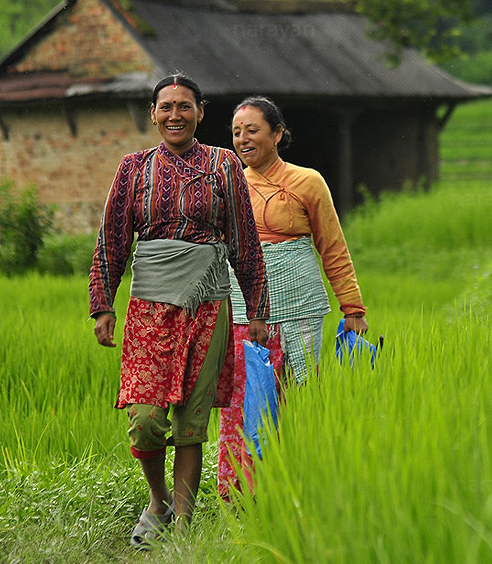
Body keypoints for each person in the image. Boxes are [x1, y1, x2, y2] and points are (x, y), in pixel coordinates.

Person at [89, 74, 270, 548]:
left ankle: (185, 525)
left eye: (184, 106)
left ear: (200, 112)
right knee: (146, 418)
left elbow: (245, 241)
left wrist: (257, 309)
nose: (175, 114)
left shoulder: (223, 165)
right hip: (150, 307)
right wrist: (102, 306)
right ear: (153, 114)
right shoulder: (133, 168)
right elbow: (112, 240)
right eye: (166, 106)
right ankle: (159, 500)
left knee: (192, 419)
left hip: (209, 304)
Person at [217, 95, 370, 498]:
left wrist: (352, 307)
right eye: (236, 132)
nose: (242, 139)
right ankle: (243, 492)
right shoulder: (229, 183)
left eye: (252, 130)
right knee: (245, 398)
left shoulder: (308, 181)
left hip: (300, 305)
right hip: (243, 310)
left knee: (301, 394)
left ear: (278, 134)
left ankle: (298, 487)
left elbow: (332, 246)